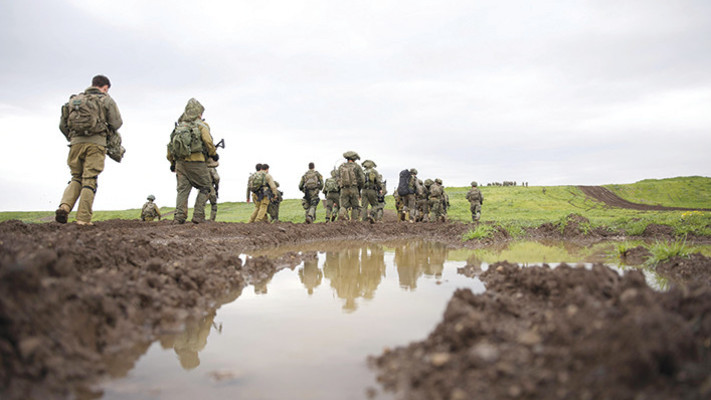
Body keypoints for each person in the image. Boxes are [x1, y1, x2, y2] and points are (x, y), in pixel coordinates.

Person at [56, 74, 123, 225]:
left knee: (76, 177)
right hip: (96, 144)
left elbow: (62, 125)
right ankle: (83, 219)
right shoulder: (106, 100)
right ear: (105, 88)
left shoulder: (75, 101)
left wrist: (73, 138)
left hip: (75, 144)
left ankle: (64, 207)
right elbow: (117, 123)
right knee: (89, 179)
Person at [166, 98, 218, 224]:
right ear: (199, 113)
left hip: (180, 163)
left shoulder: (179, 127)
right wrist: (214, 154)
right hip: (196, 162)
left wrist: (172, 163)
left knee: (182, 190)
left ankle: (179, 217)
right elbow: (208, 141)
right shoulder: (201, 125)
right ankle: (198, 215)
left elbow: (170, 147)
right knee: (206, 187)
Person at [337, 151, 365, 221]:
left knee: (343, 206)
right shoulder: (357, 166)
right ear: (354, 158)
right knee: (355, 206)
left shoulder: (341, 166)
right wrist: (359, 188)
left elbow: (337, 177)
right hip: (354, 188)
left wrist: (340, 185)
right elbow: (362, 179)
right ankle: (353, 222)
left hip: (343, 189)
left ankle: (341, 213)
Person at [206, 156, 220, 221]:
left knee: (201, 204)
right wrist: (216, 186)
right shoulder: (212, 169)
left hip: (201, 188)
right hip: (210, 187)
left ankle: (200, 218)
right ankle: (212, 219)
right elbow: (217, 178)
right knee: (214, 204)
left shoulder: (201, 169)